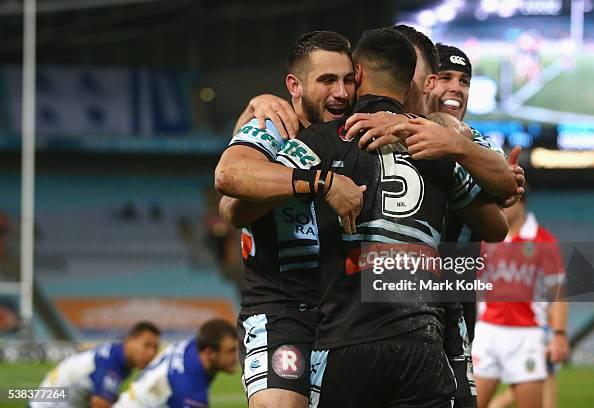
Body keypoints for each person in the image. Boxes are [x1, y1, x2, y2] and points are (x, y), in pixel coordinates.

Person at [275, 27, 508, 408]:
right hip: (424, 340)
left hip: (346, 337)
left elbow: (239, 193)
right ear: (411, 81)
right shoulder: (437, 146)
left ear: (359, 75)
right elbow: (499, 220)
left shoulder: (321, 138)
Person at [215, 31, 365, 408]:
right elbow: (229, 183)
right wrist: (320, 182)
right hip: (281, 310)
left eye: (348, 80)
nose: (341, 92)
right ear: (294, 86)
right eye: (327, 80)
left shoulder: (356, 131)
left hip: (344, 314)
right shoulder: (274, 126)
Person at [473, 193, 568, 408]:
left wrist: (559, 335)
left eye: (505, 202)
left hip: (527, 337)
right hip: (486, 333)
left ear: (521, 200)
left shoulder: (544, 240)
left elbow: (558, 292)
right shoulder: (485, 240)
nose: (500, 208)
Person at [31, 321, 160, 408]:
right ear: (130, 340)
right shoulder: (112, 363)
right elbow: (99, 403)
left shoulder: (117, 355)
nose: (150, 353)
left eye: (155, 348)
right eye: (146, 346)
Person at [114, 319, 238, 408]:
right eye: (231, 351)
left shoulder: (194, 345)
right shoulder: (191, 391)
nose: (236, 356)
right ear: (209, 353)